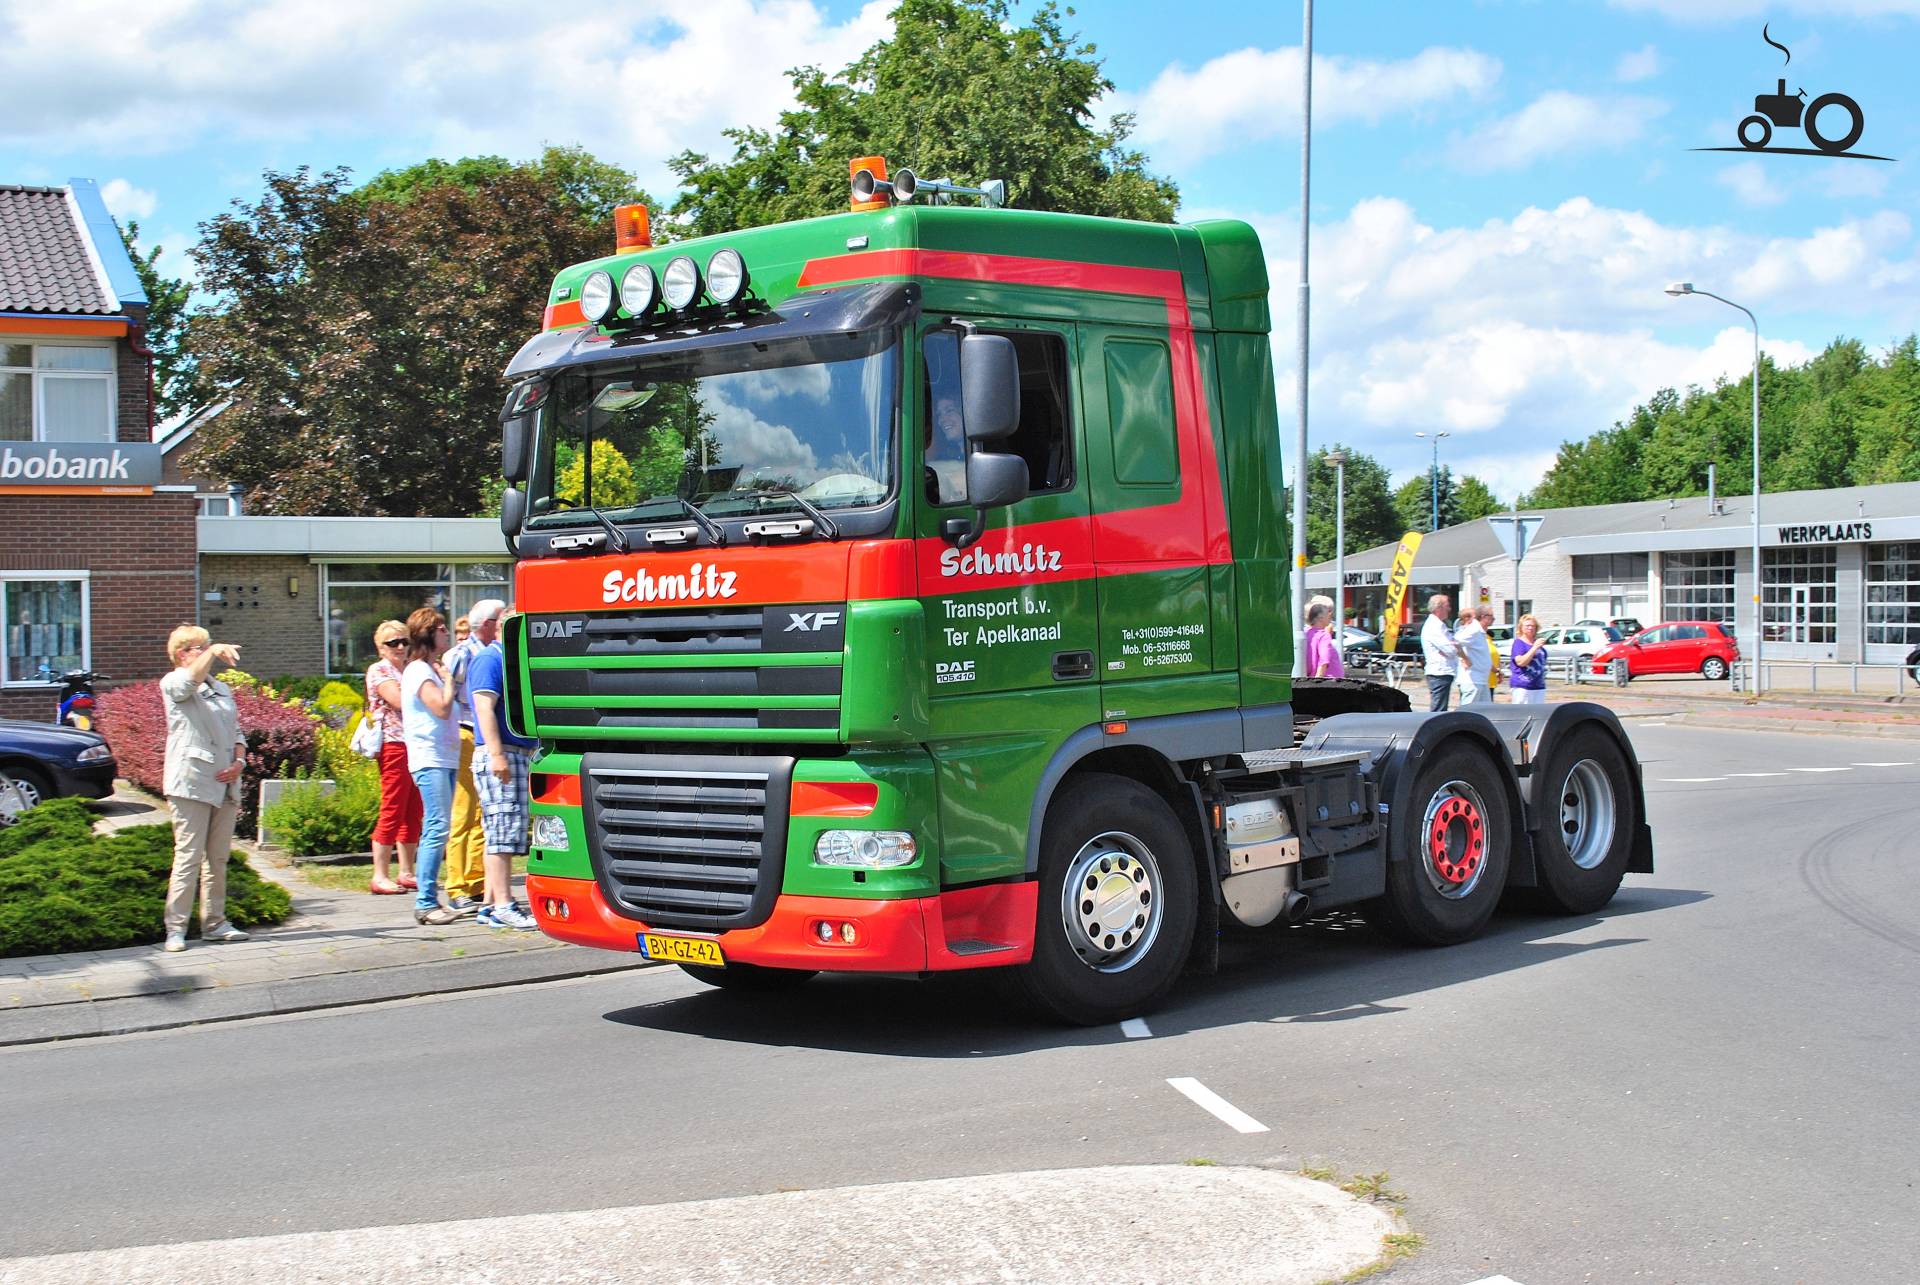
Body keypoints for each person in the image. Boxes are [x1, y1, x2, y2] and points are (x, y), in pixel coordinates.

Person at [158, 624, 251, 952]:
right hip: (192, 783)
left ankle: (215, 922)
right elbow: (188, 683)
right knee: (188, 856)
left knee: (218, 858)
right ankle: (176, 928)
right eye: (199, 647)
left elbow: (237, 731)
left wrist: (240, 761)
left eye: (207, 646)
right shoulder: (173, 682)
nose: (207, 651)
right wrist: (212, 652)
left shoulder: (221, 689)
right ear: (182, 654)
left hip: (226, 784)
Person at [467, 615, 539, 930]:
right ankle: (503, 905)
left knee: (500, 829)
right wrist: (496, 754)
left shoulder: (506, 661)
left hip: (514, 753)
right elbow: (483, 707)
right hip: (502, 755)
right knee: (503, 832)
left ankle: (488, 904)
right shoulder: (489, 659)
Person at [441, 600, 506, 916]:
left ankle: (477, 880)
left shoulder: (486, 653)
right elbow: (447, 701)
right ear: (490, 623)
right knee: (464, 812)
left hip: (477, 736)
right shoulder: (463, 655)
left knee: (484, 814)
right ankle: (456, 886)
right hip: (468, 733)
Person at [401, 607, 464, 926]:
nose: (447, 634)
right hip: (430, 758)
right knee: (437, 826)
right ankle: (425, 902)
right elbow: (440, 708)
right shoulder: (417, 671)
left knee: (440, 826)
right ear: (428, 633)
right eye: (441, 629)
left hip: (444, 756)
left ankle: (429, 898)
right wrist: (450, 680)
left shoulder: (429, 669)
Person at [364, 621, 419, 895]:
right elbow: (399, 701)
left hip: (416, 744)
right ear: (380, 647)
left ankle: (407, 871)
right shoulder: (380, 670)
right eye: (392, 643)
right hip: (394, 744)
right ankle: (380, 874)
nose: (400, 647)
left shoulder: (409, 669)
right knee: (393, 806)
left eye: (404, 642)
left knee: (413, 808)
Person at [1419, 595, 1464, 712]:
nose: (1449, 609)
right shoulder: (1434, 627)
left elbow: (1453, 647)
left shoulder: (1439, 625)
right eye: (1447, 606)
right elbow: (1451, 650)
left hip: (1443, 672)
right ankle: (1433, 730)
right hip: (1439, 672)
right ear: (1438, 608)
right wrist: (1453, 647)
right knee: (1438, 710)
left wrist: (1453, 647)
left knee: (1440, 708)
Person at [924, 396, 967, 504]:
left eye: (949, 410)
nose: (942, 420)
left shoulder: (989, 453)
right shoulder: (944, 457)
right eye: (939, 415)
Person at [1454, 606, 1491, 706]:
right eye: (1491, 617)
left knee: (1486, 713)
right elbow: (1455, 643)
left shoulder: (1479, 631)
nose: (1493, 619)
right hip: (1472, 681)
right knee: (1468, 714)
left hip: (1481, 680)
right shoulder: (1473, 629)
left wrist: (1495, 670)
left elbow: (1481, 655)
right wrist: (1464, 658)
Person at [1508, 614, 1549, 705]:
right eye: (1527, 626)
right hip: (1523, 686)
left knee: (1538, 715)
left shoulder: (1538, 644)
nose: (1530, 628)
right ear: (1521, 628)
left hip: (1538, 686)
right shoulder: (1519, 643)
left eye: (1533, 626)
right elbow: (1521, 662)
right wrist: (1534, 648)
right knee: (1522, 714)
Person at [1303, 600, 1345, 678]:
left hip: (1311, 678)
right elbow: (1324, 660)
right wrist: (1318, 680)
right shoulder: (1324, 635)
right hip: (1329, 680)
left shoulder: (1306, 633)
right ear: (1320, 618)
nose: (1330, 616)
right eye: (1327, 614)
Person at [1481, 608, 1502, 699]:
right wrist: (1496, 670)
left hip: (1490, 681)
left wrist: (1498, 671)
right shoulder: (1479, 636)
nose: (1493, 619)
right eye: (1491, 617)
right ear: (1483, 617)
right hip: (1482, 680)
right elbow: (1483, 658)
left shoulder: (1488, 637)